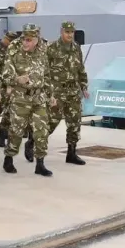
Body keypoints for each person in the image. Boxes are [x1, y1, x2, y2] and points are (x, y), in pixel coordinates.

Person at [2, 24, 56, 177]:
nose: (25, 43)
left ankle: (40, 164)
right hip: (21, 98)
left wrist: (50, 95)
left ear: (36, 40)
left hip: (38, 98)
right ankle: (9, 158)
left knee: (42, 131)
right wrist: (16, 79)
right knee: (16, 131)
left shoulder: (42, 50)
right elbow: (5, 75)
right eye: (24, 39)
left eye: (29, 40)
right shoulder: (14, 50)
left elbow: (46, 75)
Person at [46, 21, 88, 165]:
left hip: (73, 91)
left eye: (72, 32)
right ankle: (33, 142)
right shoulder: (51, 48)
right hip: (57, 91)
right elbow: (44, 70)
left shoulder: (76, 48)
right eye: (67, 32)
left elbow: (80, 69)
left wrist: (84, 86)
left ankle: (71, 153)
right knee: (52, 121)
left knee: (74, 123)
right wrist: (48, 91)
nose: (70, 35)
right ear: (61, 32)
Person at [0, 31, 20, 147]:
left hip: (11, 85)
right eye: (10, 40)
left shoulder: (15, 50)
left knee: (10, 110)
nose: (11, 42)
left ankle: (2, 134)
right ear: (5, 38)